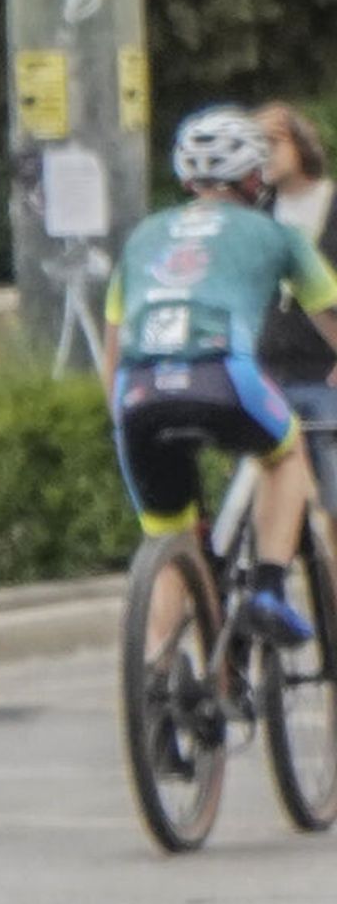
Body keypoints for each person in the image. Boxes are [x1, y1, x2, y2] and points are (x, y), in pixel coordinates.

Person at [104, 106, 337, 644]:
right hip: (224, 379)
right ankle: (270, 590)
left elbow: (113, 348)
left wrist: (117, 415)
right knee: (287, 452)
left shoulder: (142, 238)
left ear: (187, 179)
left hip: (137, 394)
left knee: (171, 546)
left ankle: (164, 684)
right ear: (254, 177)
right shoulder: (275, 235)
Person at [257, 100, 337, 517]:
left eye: (272, 141)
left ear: (301, 143)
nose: (263, 154)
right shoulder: (257, 217)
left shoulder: (332, 203)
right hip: (267, 373)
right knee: (269, 503)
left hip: (326, 374)